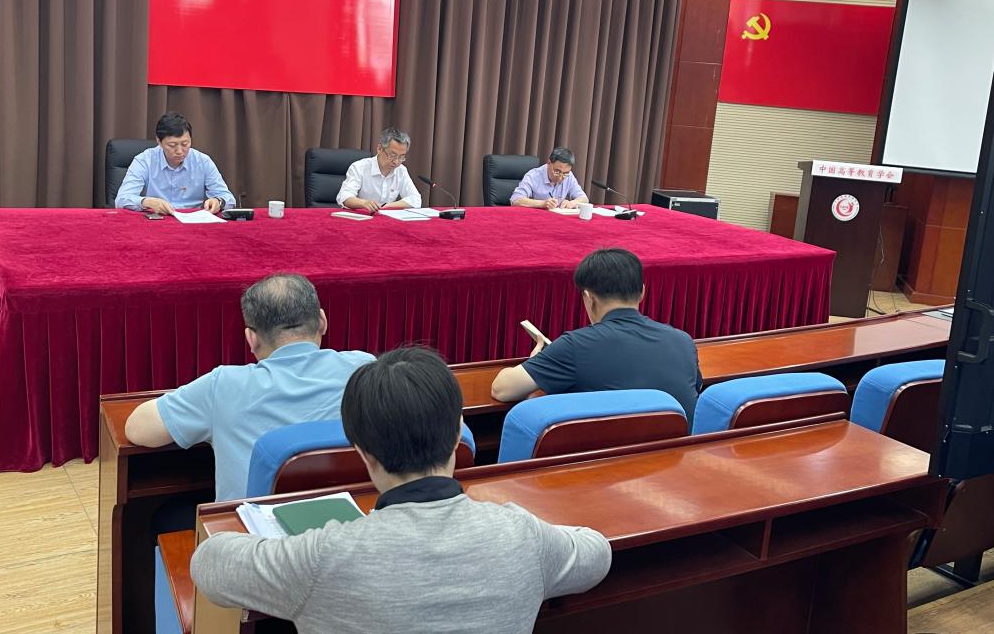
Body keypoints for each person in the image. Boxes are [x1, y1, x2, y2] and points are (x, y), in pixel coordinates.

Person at [190, 347, 611, 634]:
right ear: (457, 436)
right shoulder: (521, 534)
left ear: (362, 452)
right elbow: (596, 552)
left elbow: (209, 563)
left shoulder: (322, 555)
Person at [125, 274, 374, 501]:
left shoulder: (223, 385)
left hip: (253, 534)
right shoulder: (364, 369)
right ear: (322, 321)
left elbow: (138, 430)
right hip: (344, 524)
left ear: (251, 338)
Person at [491, 249, 702, 424]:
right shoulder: (683, 341)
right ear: (642, 293)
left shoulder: (574, 346)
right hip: (677, 456)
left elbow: (502, 389)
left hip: (605, 458)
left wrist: (536, 361)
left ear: (588, 297)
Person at [114, 111, 236, 215]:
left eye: (185, 144)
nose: (180, 151)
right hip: (156, 221)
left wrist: (219, 202)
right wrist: (146, 202)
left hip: (191, 222)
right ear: (159, 141)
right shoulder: (144, 161)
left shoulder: (203, 161)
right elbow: (121, 199)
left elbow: (228, 198)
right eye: (172, 145)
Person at [336, 127, 422, 213]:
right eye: (392, 155)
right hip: (362, 216)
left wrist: (387, 206)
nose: (396, 162)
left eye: (401, 157)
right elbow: (344, 196)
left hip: (386, 217)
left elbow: (416, 199)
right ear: (379, 149)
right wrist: (364, 203)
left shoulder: (401, 171)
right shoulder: (359, 167)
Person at [510, 147, 589, 209]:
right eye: (557, 171)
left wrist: (572, 203)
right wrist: (543, 203)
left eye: (565, 173)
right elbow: (515, 200)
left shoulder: (569, 176)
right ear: (549, 163)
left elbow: (584, 199)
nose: (560, 178)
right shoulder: (533, 175)